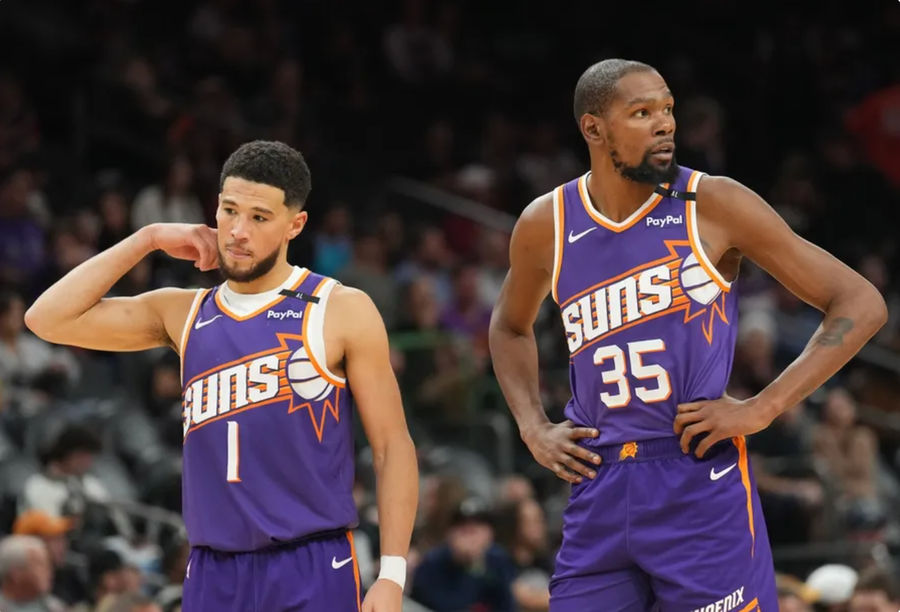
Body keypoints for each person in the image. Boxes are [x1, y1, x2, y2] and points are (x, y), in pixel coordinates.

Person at [488, 59, 887, 611]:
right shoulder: (546, 223)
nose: (665, 123)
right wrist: (532, 427)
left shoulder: (712, 203)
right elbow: (509, 327)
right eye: (642, 112)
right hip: (598, 483)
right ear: (594, 128)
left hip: (696, 476)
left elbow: (860, 302)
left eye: (668, 108)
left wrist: (763, 407)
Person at [25, 140, 419, 612]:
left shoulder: (339, 308)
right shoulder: (183, 312)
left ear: (295, 224)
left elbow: (392, 446)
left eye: (258, 217)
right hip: (213, 570)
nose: (237, 230)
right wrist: (146, 237)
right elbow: (47, 319)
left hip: (310, 562)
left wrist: (393, 573)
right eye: (229, 210)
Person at [0, 534, 65, 612]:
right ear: (16, 573)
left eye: (48, 564)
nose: (49, 571)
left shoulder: (54, 607)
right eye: (40, 565)